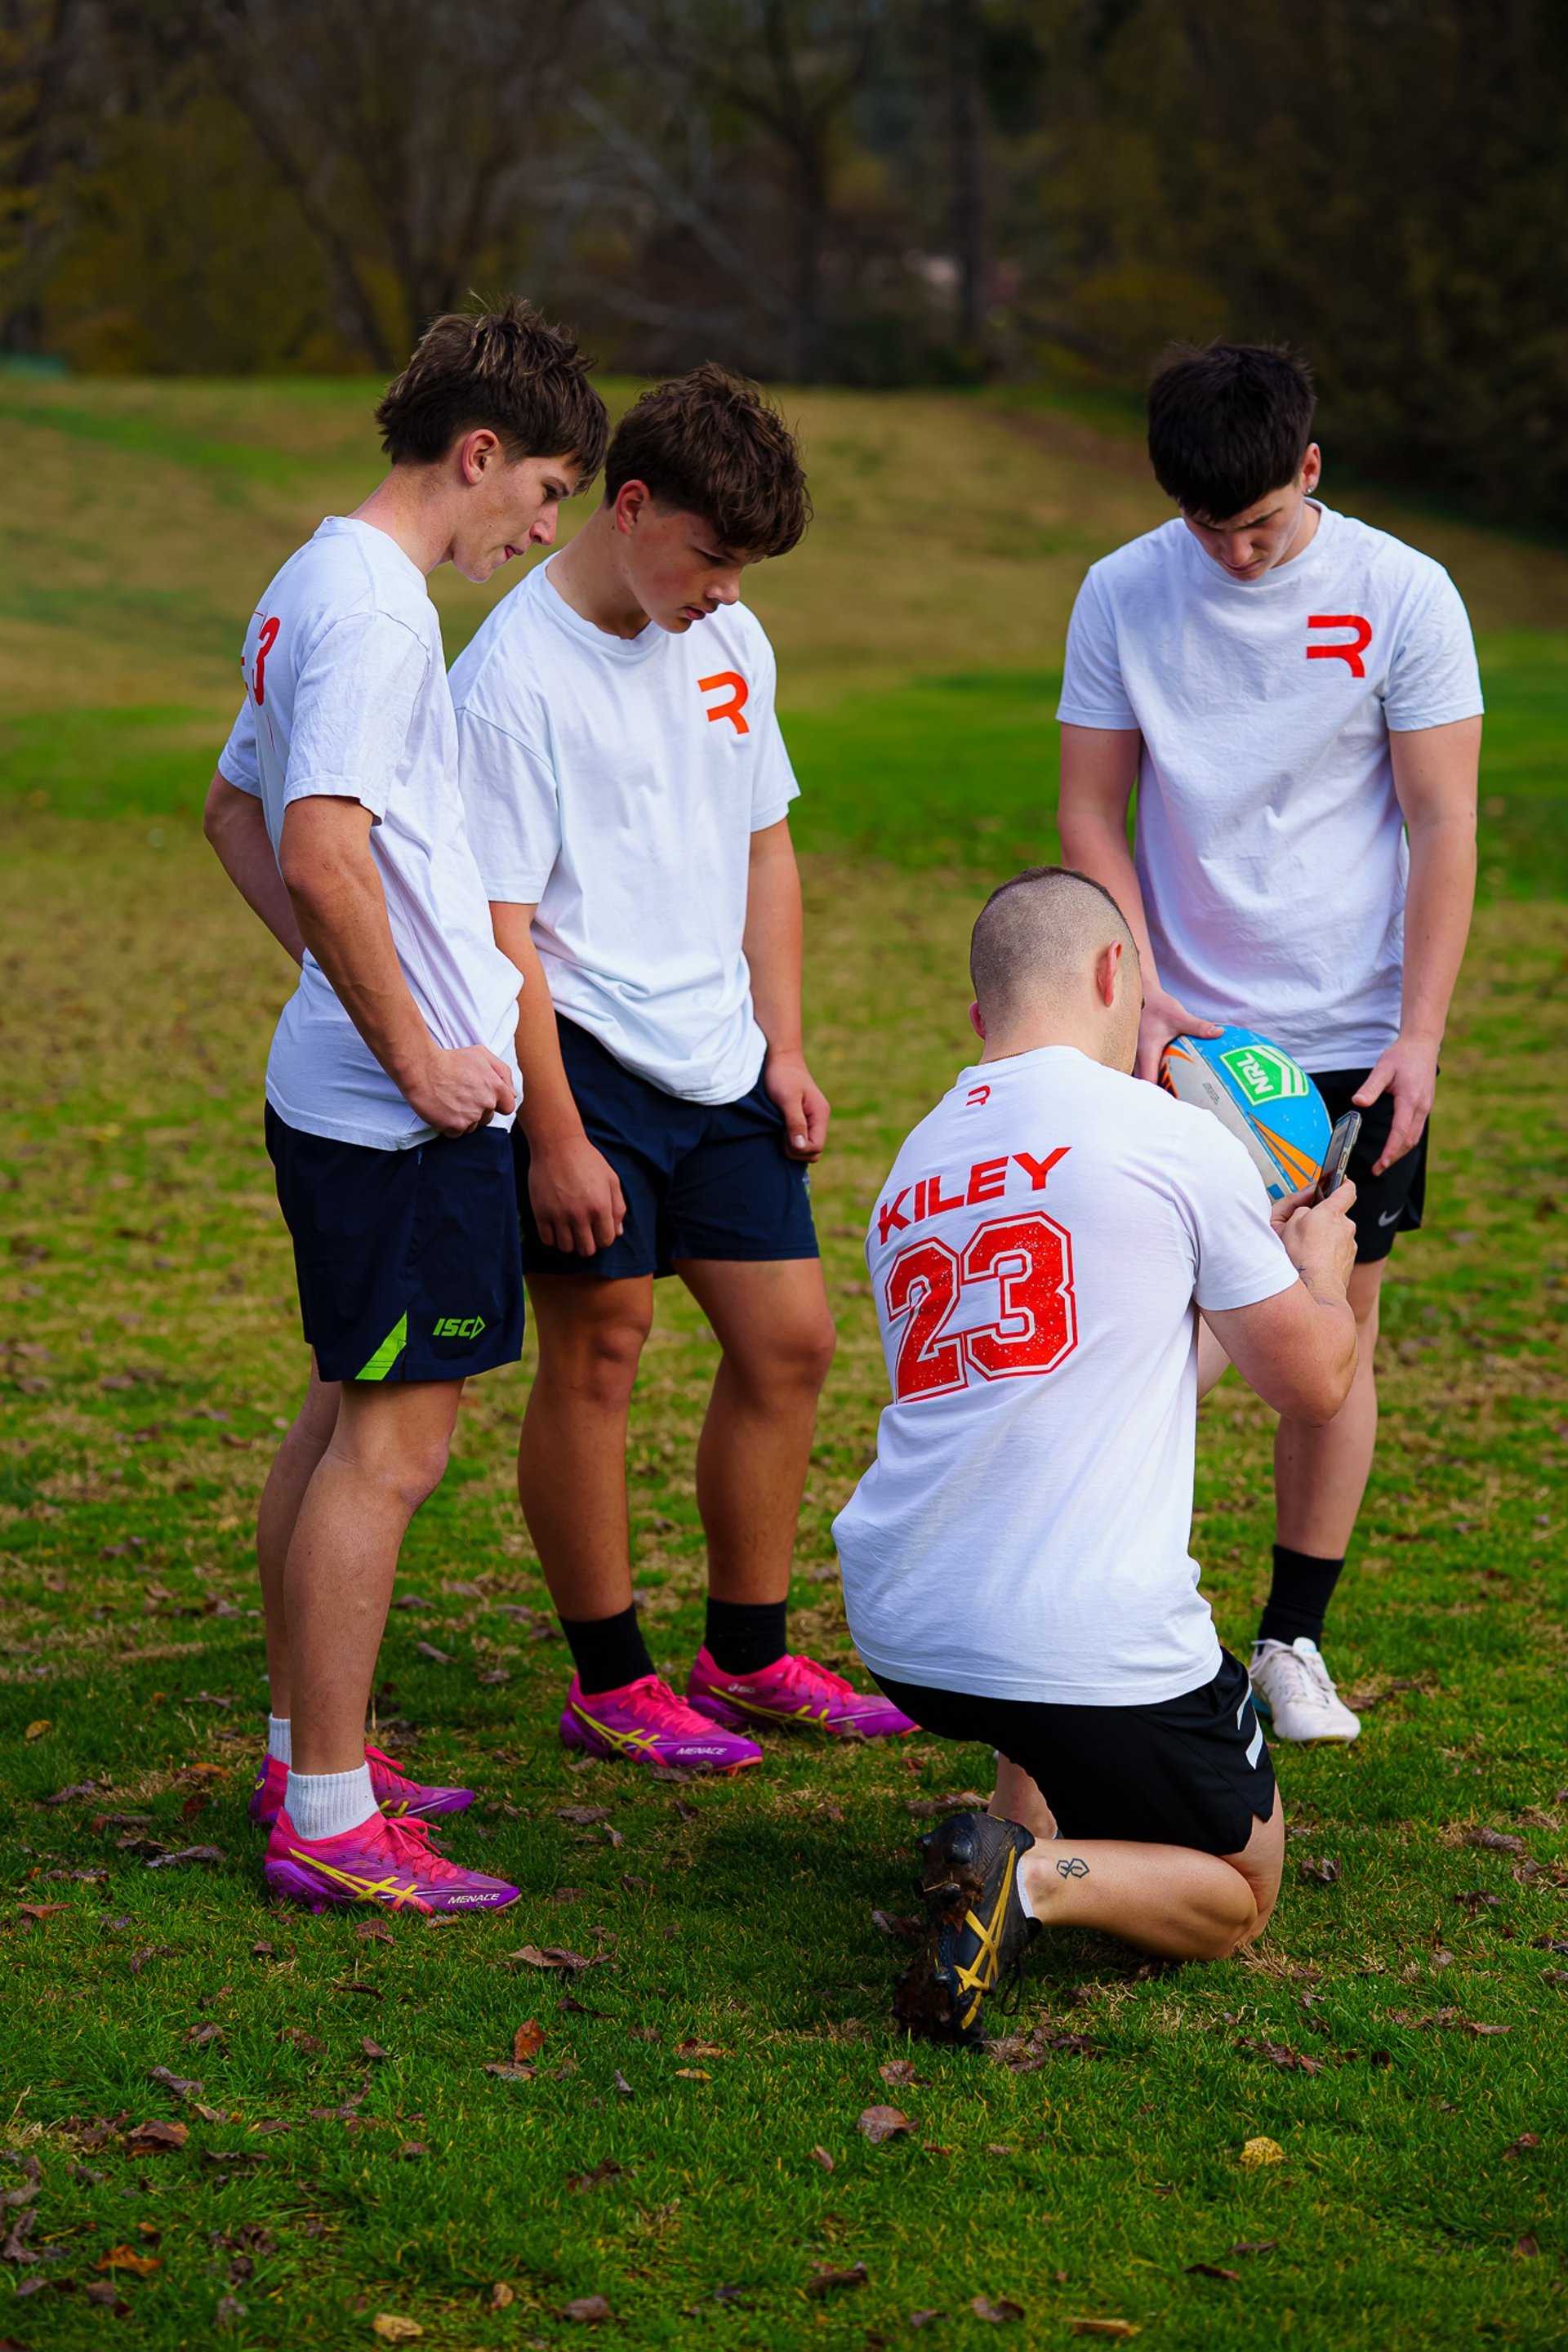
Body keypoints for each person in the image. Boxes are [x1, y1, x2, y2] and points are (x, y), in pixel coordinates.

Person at [202, 298, 608, 1912]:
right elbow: (306, 845)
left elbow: (230, 814)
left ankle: (318, 1751)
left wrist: (354, 989)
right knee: (392, 1444)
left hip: (364, 1095)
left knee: (339, 1414)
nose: (546, 525)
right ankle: (325, 1817)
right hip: (398, 1120)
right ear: (482, 454)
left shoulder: (318, 580)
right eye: (550, 491)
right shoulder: (372, 611)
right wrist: (416, 1042)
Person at [451, 365, 912, 1774]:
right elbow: (498, 926)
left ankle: (751, 1654)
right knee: (602, 1355)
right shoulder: (511, 677)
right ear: (631, 504)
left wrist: (784, 1044)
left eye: (744, 569)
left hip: (723, 1057)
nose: (723, 591)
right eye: (710, 556)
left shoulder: (732, 641)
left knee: (794, 1345)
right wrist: (554, 1136)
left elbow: (764, 840)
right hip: (582, 1059)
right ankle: (610, 1676)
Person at [834, 867, 1359, 2044]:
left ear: (983, 1018)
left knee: (1037, 1550)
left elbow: (1118, 1369)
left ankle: (999, 1832)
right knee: (1239, 1891)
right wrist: (1319, 1262)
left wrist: (1240, 1278)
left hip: (908, 1627)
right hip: (1075, 1632)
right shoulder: (1168, 1135)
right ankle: (1025, 1878)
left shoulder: (912, 1164)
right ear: (1116, 975)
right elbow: (1316, 1384)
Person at [1056, 341, 1482, 1745]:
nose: (1234, 556)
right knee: (1156, 1327)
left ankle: (1292, 1642)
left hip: (1353, 1039)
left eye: (1258, 525)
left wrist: (1419, 1038)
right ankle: (1129, 1620)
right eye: (1206, 528)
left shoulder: (1404, 592)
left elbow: (1442, 823)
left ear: (1309, 468)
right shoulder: (1122, 590)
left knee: (1329, 1337)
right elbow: (1092, 813)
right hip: (1185, 1035)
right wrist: (1143, 998)